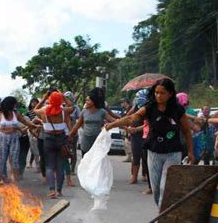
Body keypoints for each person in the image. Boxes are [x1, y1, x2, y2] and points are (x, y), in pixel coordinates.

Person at [105, 79, 194, 207]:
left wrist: (190, 152)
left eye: (162, 93)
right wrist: (112, 124)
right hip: (154, 152)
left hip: (173, 152)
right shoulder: (149, 108)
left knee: (165, 186)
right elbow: (131, 118)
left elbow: (186, 131)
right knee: (156, 188)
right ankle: (161, 212)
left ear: (170, 94)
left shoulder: (177, 109)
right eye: (156, 92)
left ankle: (163, 216)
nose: (159, 95)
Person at [33, 91, 74, 198]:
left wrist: (44, 98)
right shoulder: (64, 111)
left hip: (48, 140)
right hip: (61, 140)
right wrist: (64, 98)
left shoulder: (43, 111)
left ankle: (52, 190)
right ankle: (59, 191)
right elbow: (72, 106)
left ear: (49, 99)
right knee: (60, 167)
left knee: (50, 166)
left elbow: (34, 109)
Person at [69, 88, 118, 156]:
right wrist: (69, 136)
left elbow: (113, 120)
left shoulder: (102, 111)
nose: (86, 102)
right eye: (86, 100)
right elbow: (77, 125)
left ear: (94, 101)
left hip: (97, 141)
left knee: (95, 164)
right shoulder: (84, 112)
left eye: (88, 100)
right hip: (86, 141)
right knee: (86, 163)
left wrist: (125, 126)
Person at [126, 90, 148, 184]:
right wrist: (129, 127)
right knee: (136, 155)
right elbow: (128, 117)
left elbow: (148, 124)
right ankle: (134, 176)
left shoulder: (149, 109)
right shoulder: (135, 107)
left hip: (146, 134)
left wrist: (137, 129)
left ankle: (144, 174)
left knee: (145, 156)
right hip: (135, 135)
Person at [64, 91, 80, 173]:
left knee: (73, 151)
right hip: (64, 132)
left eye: (68, 98)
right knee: (65, 150)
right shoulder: (62, 107)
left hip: (73, 131)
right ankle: (66, 169)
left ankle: (72, 169)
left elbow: (80, 119)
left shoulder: (76, 108)